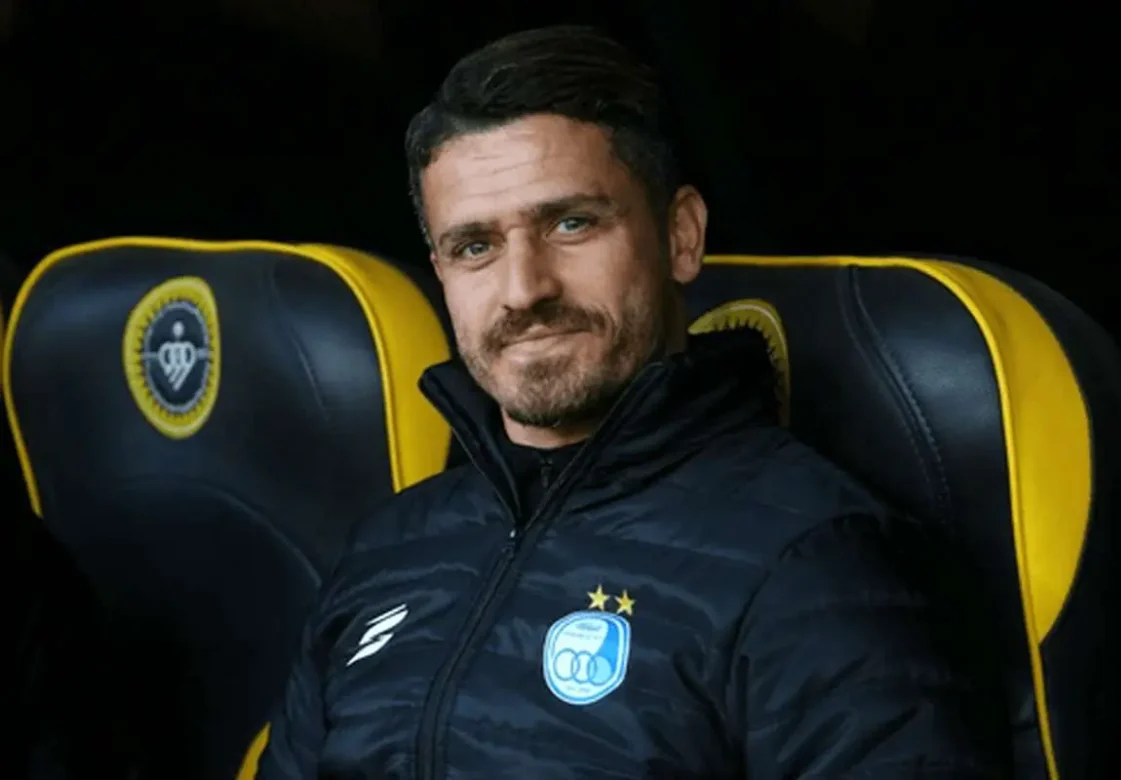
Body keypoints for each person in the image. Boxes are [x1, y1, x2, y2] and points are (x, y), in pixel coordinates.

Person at [257, 25, 1007, 778]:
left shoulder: (811, 562)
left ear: (681, 236)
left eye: (571, 223)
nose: (524, 290)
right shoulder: (391, 548)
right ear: (442, 271)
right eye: (475, 246)